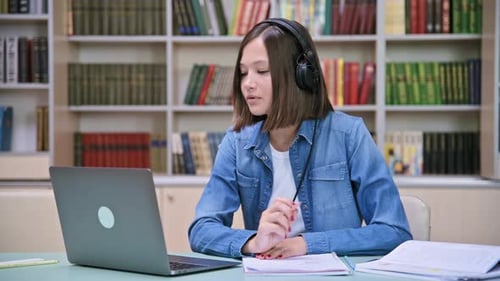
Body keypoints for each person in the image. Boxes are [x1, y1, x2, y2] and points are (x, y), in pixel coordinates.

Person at [188, 18, 412, 260]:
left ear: (301, 76)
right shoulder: (236, 142)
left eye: (262, 71)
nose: (248, 84)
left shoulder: (349, 135)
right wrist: (253, 242)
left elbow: (394, 231)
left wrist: (306, 244)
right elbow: (201, 230)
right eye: (243, 73)